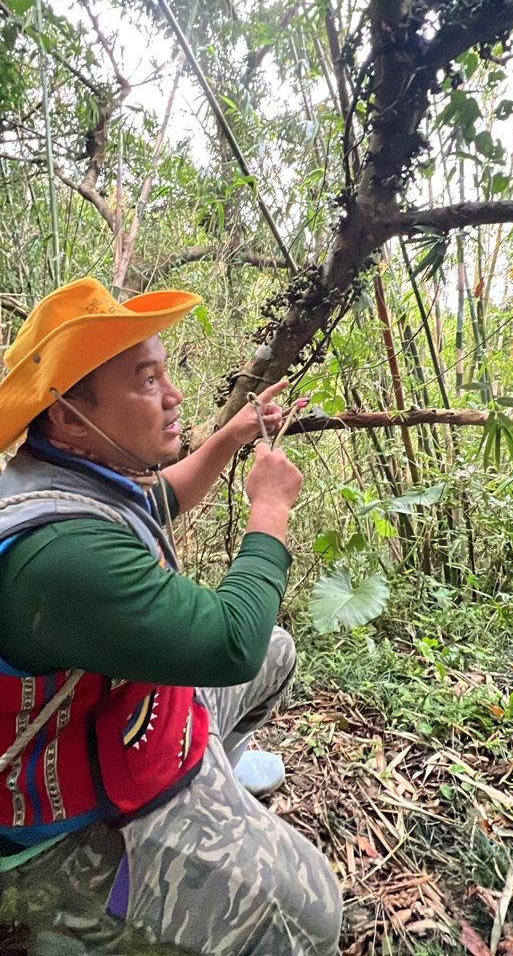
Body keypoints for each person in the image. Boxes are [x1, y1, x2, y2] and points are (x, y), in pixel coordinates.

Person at [0, 278, 342, 956]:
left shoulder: (60, 468)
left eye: (164, 370)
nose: (174, 393)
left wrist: (232, 435)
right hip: (56, 827)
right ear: (69, 415)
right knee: (314, 915)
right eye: (145, 379)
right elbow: (228, 644)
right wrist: (270, 513)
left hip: (119, 731)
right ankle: (66, 913)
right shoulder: (61, 557)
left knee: (279, 649)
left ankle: (215, 800)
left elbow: (158, 502)